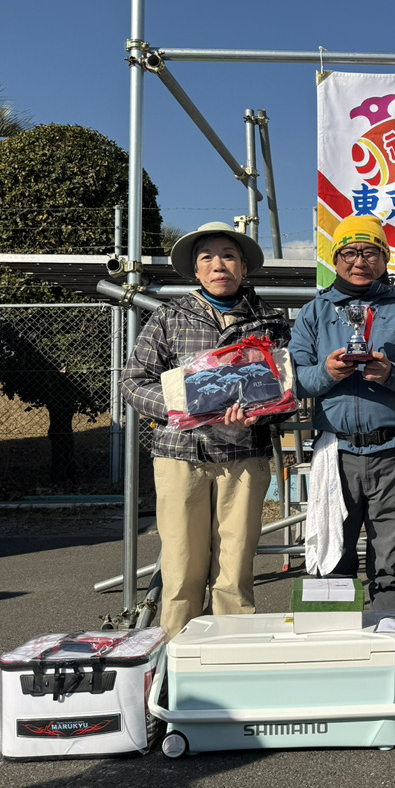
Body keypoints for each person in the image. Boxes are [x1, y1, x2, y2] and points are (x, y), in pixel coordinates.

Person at [122, 221, 290, 640]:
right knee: (181, 570)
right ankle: (179, 658)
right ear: (195, 270)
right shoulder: (169, 316)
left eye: (229, 256)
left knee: (235, 570)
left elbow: (284, 390)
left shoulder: (269, 320)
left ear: (244, 267)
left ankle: (232, 657)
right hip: (180, 456)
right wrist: (186, 408)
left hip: (244, 457)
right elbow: (133, 382)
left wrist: (261, 415)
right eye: (207, 258)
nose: (219, 265)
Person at [289, 216, 395, 618]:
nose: (360, 261)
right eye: (350, 252)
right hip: (335, 452)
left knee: (392, 562)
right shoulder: (314, 312)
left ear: (385, 258)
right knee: (332, 556)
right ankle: (333, 640)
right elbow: (294, 381)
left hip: (394, 451)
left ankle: (393, 639)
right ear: (335, 258)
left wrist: (392, 373)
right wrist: (327, 373)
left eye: (371, 252)